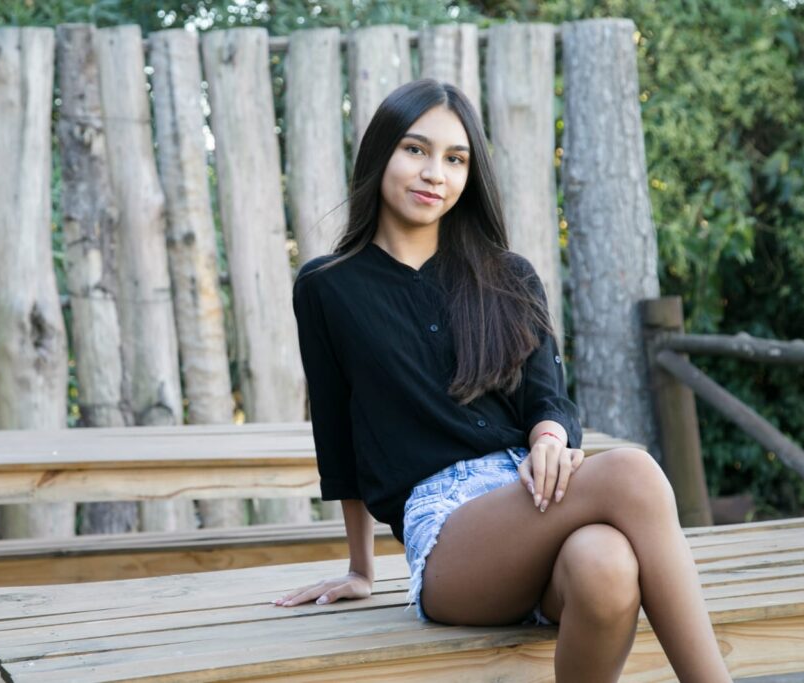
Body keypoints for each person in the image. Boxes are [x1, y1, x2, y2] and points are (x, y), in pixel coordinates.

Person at [275, 78, 731, 682]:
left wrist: (548, 438)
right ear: (380, 153)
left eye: (455, 159)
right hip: (447, 533)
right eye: (415, 149)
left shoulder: (508, 276)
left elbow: (549, 399)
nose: (434, 173)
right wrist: (362, 569)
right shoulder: (328, 286)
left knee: (607, 564)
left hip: (531, 491)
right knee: (632, 471)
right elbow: (336, 433)